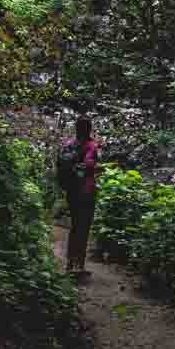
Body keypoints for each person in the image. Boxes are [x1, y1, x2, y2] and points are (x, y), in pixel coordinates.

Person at [64, 112, 98, 277]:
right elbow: (89, 163)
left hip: (72, 191)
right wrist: (96, 167)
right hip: (87, 192)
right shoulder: (91, 145)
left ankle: (70, 264)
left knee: (75, 226)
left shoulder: (69, 144)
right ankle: (79, 265)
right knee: (84, 228)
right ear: (89, 129)